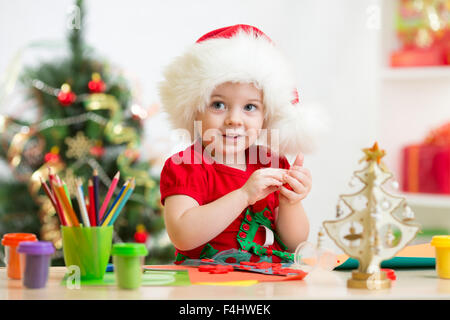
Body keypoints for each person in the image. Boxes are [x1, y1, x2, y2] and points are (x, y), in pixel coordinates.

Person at [158, 24, 319, 264]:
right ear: (195, 109)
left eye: (250, 107)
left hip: (267, 284)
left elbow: (295, 242)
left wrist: (290, 203)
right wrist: (244, 195)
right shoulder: (186, 165)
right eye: (218, 105)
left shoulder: (272, 163)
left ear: (266, 116)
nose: (234, 119)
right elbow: (182, 235)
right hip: (206, 284)